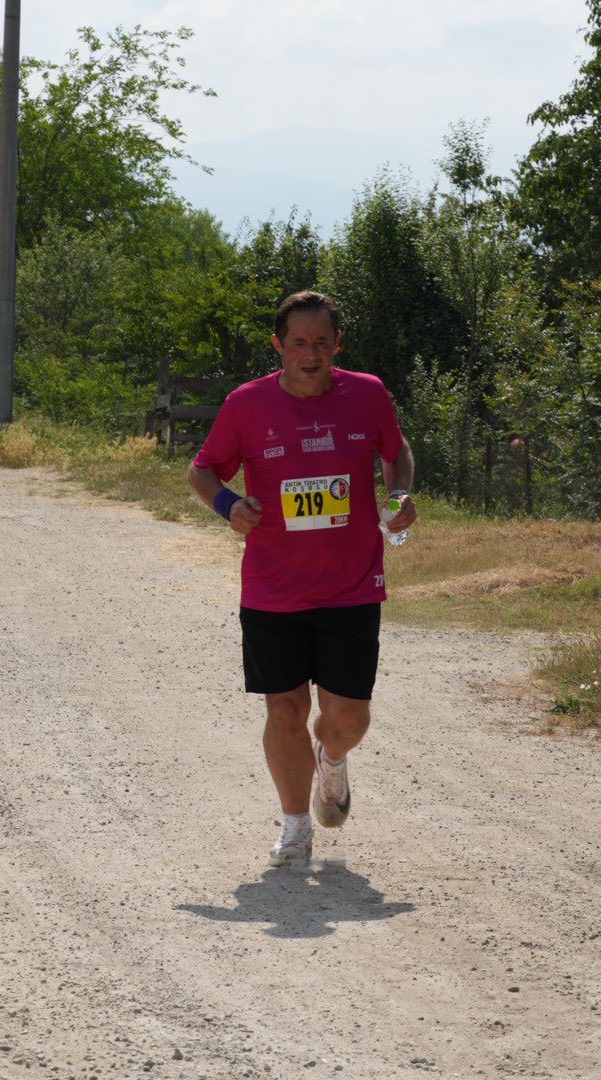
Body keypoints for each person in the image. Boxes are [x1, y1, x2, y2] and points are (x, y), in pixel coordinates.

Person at [187, 291, 418, 870]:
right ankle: (294, 826)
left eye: (321, 343)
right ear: (278, 346)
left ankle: (332, 759)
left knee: (347, 719)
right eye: (298, 343)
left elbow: (397, 452)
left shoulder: (367, 393)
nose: (310, 355)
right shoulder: (247, 404)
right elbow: (203, 469)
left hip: (351, 585)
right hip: (273, 588)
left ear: (337, 345)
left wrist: (398, 495)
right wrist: (228, 505)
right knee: (284, 711)